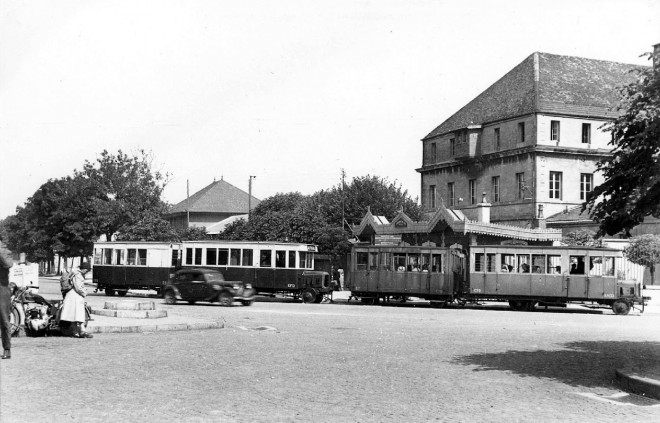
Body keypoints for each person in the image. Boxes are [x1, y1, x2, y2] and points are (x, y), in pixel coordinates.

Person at [59, 262, 93, 339]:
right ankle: (82, 331)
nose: (87, 272)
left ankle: (75, 332)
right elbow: (78, 287)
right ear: (84, 269)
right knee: (79, 313)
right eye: (87, 270)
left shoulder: (74, 273)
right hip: (76, 296)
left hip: (71, 295)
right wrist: (84, 293)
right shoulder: (78, 275)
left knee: (73, 314)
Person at [0, 241, 14, 359]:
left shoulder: (6, 251)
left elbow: (8, 264)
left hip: (2, 289)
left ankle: (7, 349)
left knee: (4, 320)